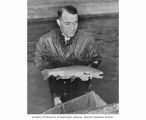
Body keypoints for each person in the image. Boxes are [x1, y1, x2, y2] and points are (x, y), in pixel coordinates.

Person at [34, 5, 102, 106]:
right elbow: (40, 62)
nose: (72, 28)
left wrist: (89, 69)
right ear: (58, 22)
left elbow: (96, 58)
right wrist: (55, 93)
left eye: (75, 23)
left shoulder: (88, 40)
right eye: (67, 23)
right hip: (58, 90)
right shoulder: (45, 40)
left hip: (81, 88)